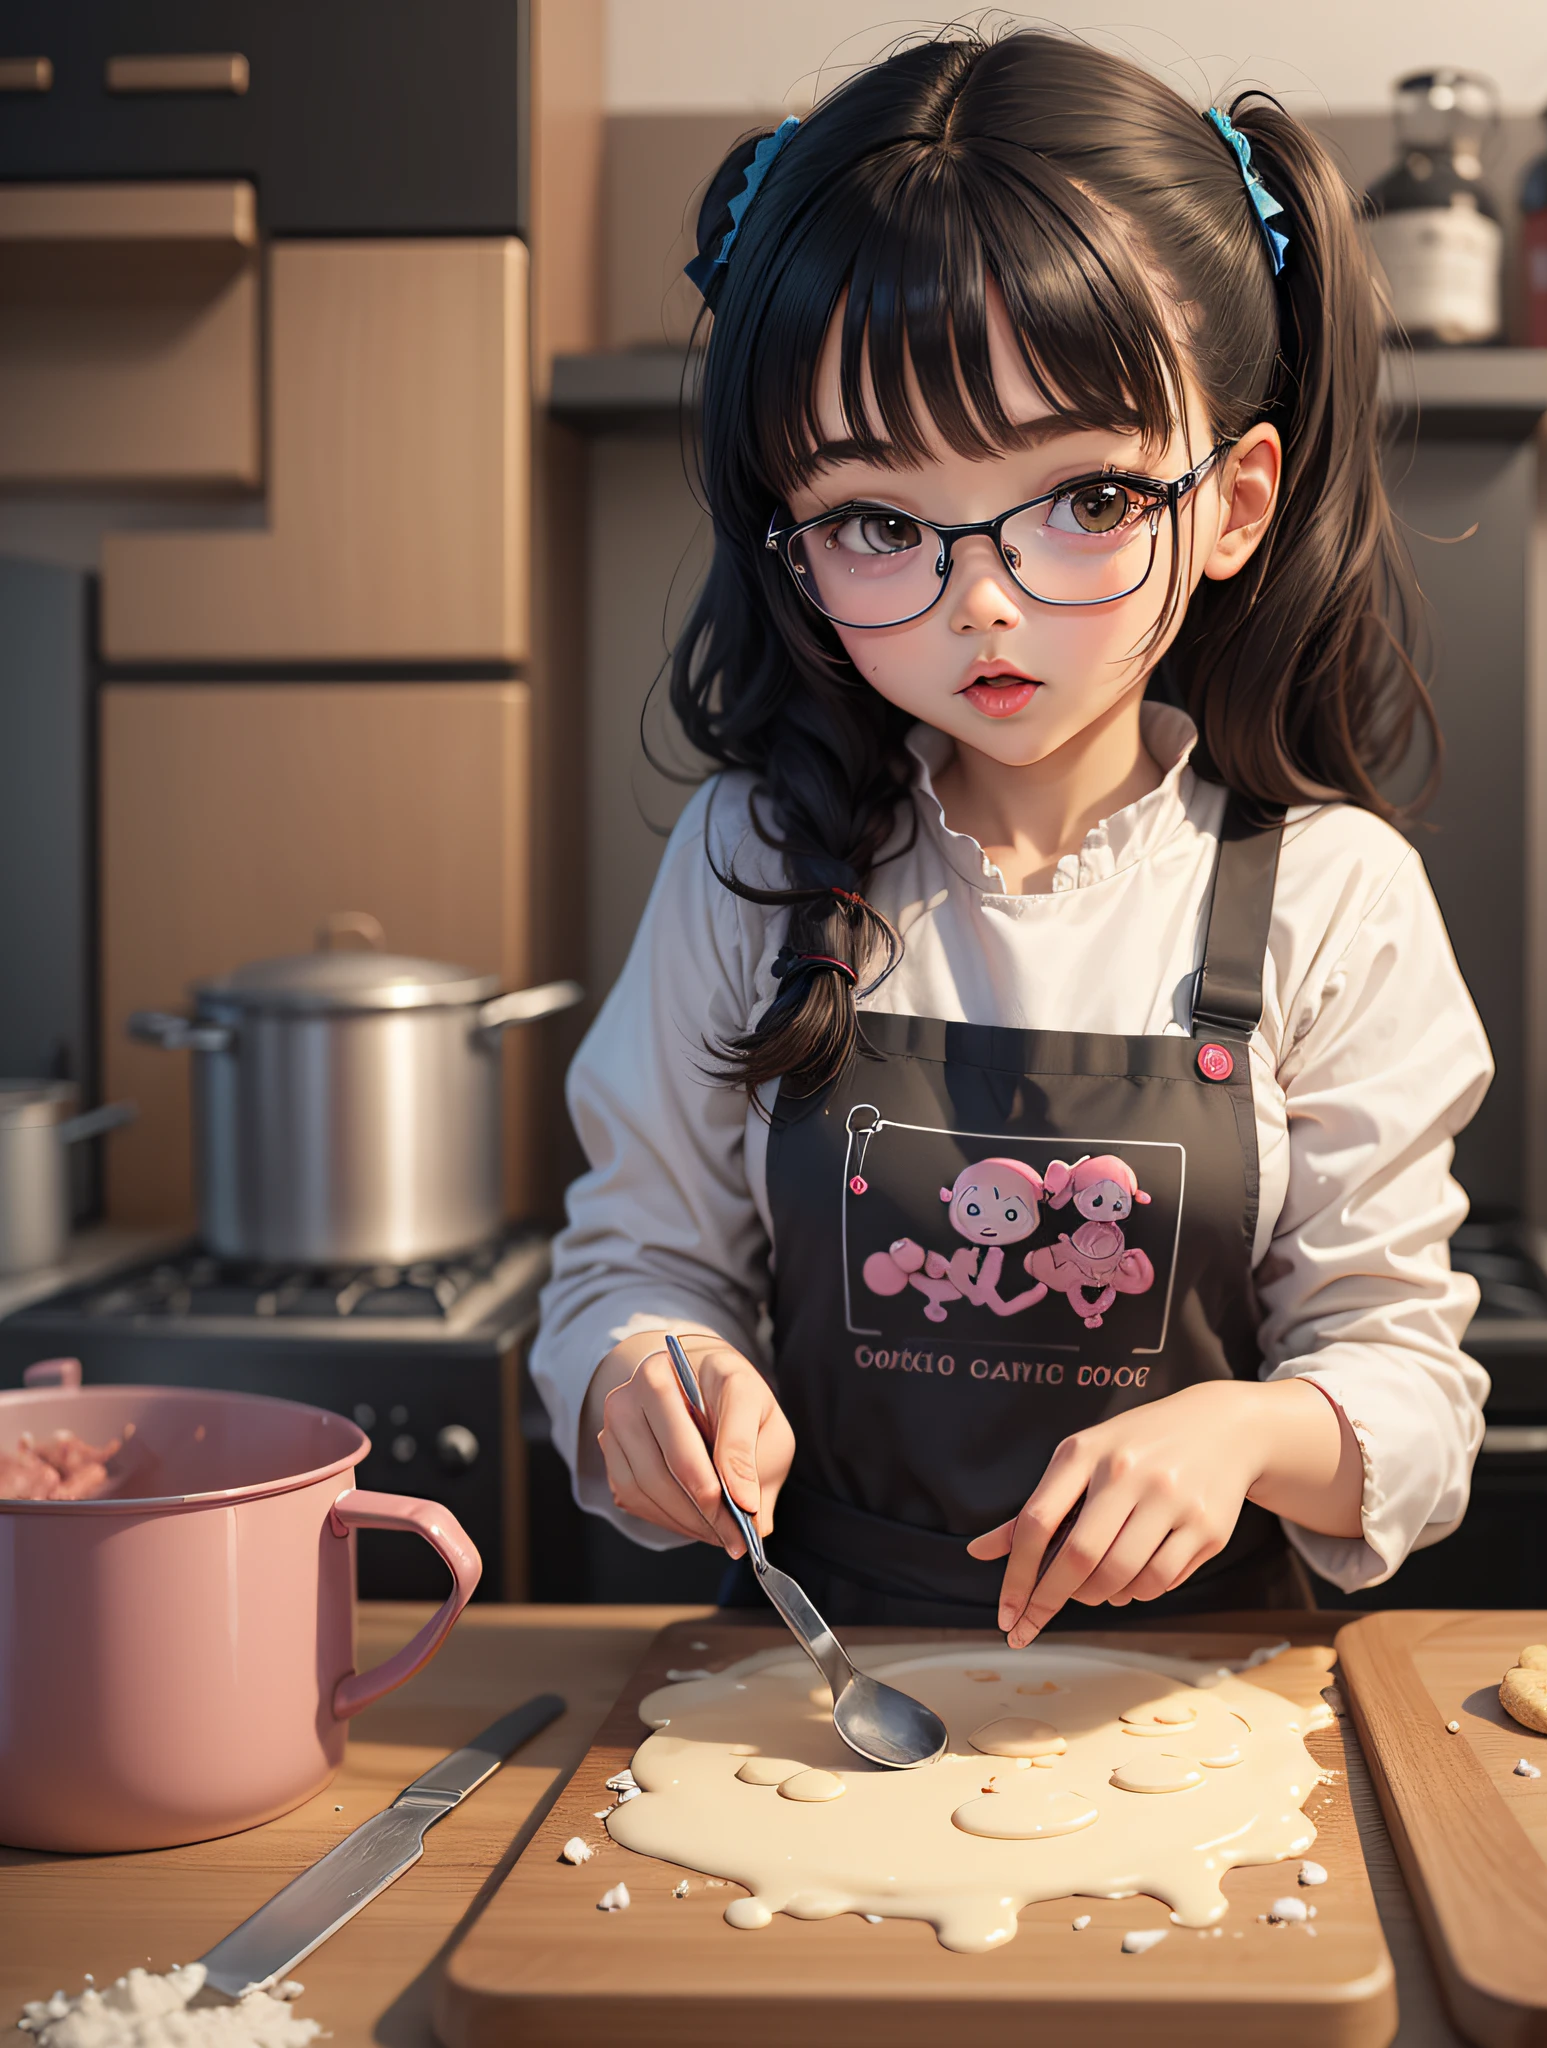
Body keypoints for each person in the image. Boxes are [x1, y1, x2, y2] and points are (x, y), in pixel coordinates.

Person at [531, 26, 1493, 1647]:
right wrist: (645, 1368)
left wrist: (1251, 1430)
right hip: (822, 1684)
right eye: (879, 523)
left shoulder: (1332, 897)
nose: (981, 598)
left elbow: (1412, 1391)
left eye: (1090, 499)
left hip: (1198, 1702)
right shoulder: (747, 861)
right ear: (791, 536)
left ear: (1237, 502)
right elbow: (633, 1264)